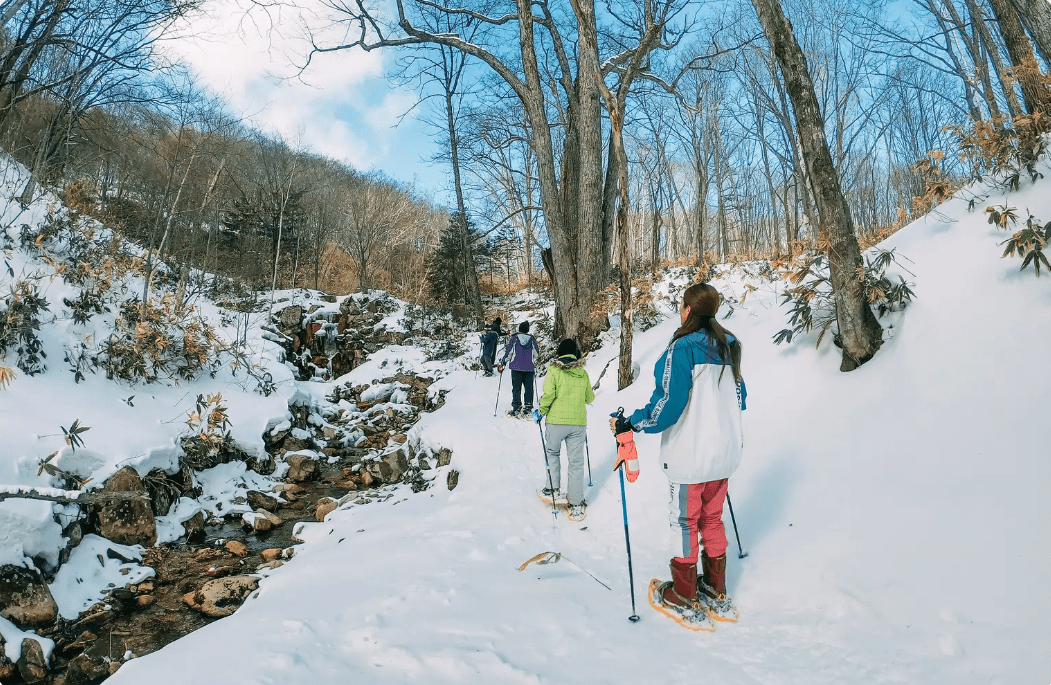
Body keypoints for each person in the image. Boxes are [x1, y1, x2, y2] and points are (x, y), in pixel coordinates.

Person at [612, 282, 746, 629]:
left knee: (685, 522)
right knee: (712, 520)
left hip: (691, 456)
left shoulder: (682, 348)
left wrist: (634, 422)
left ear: (687, 310)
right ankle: (716, 589)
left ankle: (683, 593)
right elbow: (740, 398)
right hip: (724, 454)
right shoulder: (729, 345)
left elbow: (669, 405)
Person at [535, 338, 594, 521]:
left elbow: (549, 395)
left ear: (560, 352)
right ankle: (576, 503)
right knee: (576, 462)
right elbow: (589, 398)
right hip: (577, 424)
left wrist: (540, 411)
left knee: (552, 453)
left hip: (556, 421)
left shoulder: (554, 369)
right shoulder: (582, 373)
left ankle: (552, 488)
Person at [498, 321, 540, 417]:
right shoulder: (532, 340)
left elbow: (509, 352)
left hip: (516, 367)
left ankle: (516, 408)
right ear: (527, 330)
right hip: (529, 368)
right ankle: (528, 407)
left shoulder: (515, 339)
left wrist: (503, 362)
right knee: (529, 388)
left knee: (516, 388)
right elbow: (536, 354)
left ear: (519, 329)